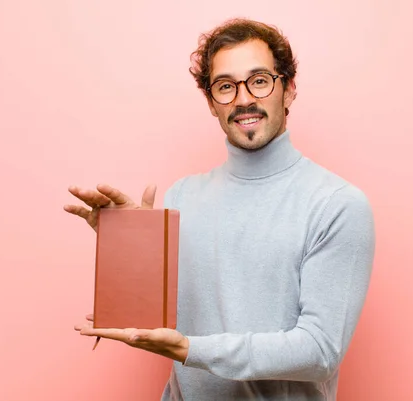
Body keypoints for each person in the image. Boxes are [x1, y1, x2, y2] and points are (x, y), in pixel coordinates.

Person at [67, 18, 375, 401]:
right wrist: (129, 247)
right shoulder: (182, 197)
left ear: (289, 89)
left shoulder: (337, 205)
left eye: (259, 80)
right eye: (226, 86)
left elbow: (319, 351)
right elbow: (164, 320)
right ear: (212, 103)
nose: (244, 98)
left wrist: (190, 351)